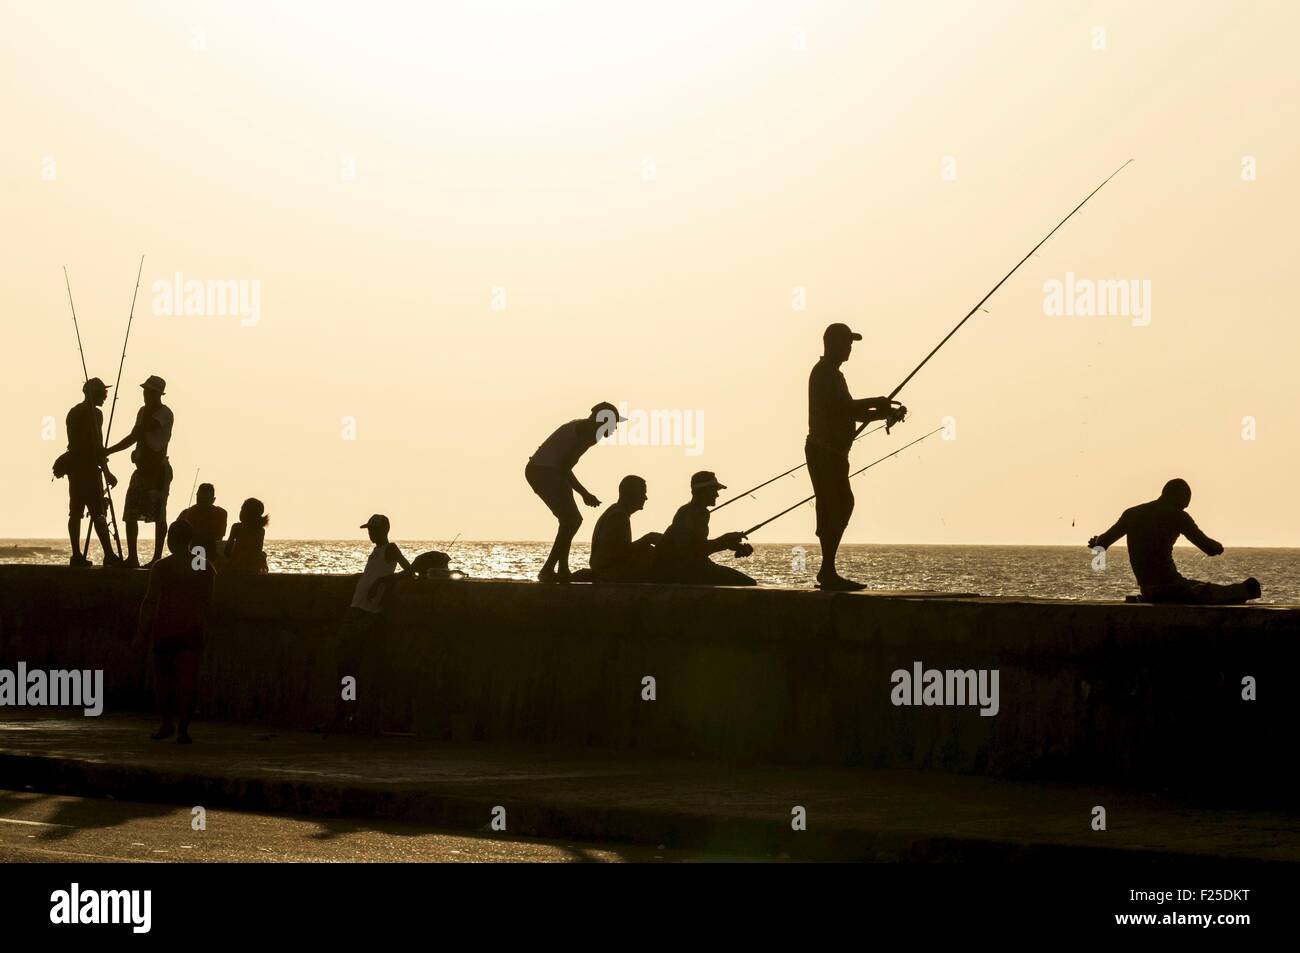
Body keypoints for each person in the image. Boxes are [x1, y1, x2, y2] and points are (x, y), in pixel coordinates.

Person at [805, 323, 906, 591]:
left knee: (839, 505)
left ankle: (828, 569)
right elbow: (842, 408)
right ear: (831, 343)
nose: (850, 347)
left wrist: (883, 413)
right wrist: (876, 400)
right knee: (836, 505)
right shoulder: (824, 373)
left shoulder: (835, 375)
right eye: (846, 342)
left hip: (835, 453)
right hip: (824, 452)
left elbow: (851, 413)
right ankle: (827, 571)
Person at [1088, 478, 1262, 605]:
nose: (1185, 508)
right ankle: (1245, 589)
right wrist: (1218, 547)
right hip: (1170, 589)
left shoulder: (1132, 514)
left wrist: (1096, 541)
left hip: (1148, 590)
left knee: (1199, 587)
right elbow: (1209, 548)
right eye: (1185, 504)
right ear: (1179, 498)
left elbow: (1101, 544)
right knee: (1229, 592)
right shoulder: (1178, 516)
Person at [323, 514, 412, 735]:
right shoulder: (375, 552)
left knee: (348, 665)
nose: (370, 534)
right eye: (369, 530)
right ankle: (346, 712)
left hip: (366, 613)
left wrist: (382, 582)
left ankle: (346, 714)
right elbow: (375, 573)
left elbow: (409, 571)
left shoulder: (390, 548)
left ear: (384, 530)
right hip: (357, 609)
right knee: (346, 667)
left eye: (373, 530)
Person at [526, 402, 625, 583]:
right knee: (572, 520)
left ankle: (562, 568)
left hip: (543, 470)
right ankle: (548, 569)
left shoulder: (581, 427)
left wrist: (583, 493)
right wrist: (585, 494)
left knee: (569, 521)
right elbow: (565, 468)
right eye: (613, 424)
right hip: (544, 471)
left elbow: (563, 467)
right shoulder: (589, 433)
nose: (615, 428)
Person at [138, 519, 215, 743]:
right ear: (190, 540)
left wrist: (140, 632)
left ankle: (166, 724)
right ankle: (183, 729)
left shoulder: (162, 566)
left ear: (170, 540)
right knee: (188, 681)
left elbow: (150, 601)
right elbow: (208, 603)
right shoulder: (202, 565)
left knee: (163, 680)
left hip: (165, 629)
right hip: (192, 629)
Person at [106, 375, 174, 568]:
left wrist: (110, 450)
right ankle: (133, 557)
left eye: (149, 392)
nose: (145, 395)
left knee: (159, 515)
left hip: (159, 472)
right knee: (130, 513)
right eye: (145, 391)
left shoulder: (164, 414)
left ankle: (156, 558)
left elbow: (138, 433)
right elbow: (135, 437)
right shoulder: (142, 412)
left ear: (158, 394)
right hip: (141, 472)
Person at [61, 377, 123, 566]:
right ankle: (109, 555)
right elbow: (97, 446)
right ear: (93, 393)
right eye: (102, 393)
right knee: (99, 513)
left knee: (75, 512)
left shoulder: (73, 412)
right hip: (88, 469)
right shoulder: (95, 414)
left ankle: (76, 556)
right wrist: (107, 472)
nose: (105, 397)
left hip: (75, 469)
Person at [655, 471, 756, 586]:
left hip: (691, 567)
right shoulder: (690, 513)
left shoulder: (697, 512)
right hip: (683, 571)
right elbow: (691, 551)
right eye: (714, 491)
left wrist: (728, 543)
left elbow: (697, 547)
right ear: (703, 491)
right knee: (748, 583)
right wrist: (724, 541)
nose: (717, 495)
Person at [574, 475, 662, 582]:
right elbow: (621, 553)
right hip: (609, 573)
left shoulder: (615, 511)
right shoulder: (618, 516)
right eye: (643, 493)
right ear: (631, 494)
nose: (645, 498)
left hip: (606, 570)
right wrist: (647, 539)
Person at [178, 483, 227, 566]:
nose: (202, 503)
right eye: (200, 498)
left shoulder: (221, 513)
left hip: (210, 553)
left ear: (213, 500)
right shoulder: (186, 513)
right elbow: (175, 535)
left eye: (205, 500)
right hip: (192, 553)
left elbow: (219, 536)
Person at [224, 498, 269, 574]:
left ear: (247, 513)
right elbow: (256, 551)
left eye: (242, 509)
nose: (240, 512)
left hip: (237, 565)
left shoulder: (237, 527)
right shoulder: (261, 531)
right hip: (254, 567)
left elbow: (227, 550)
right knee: (262, 555)